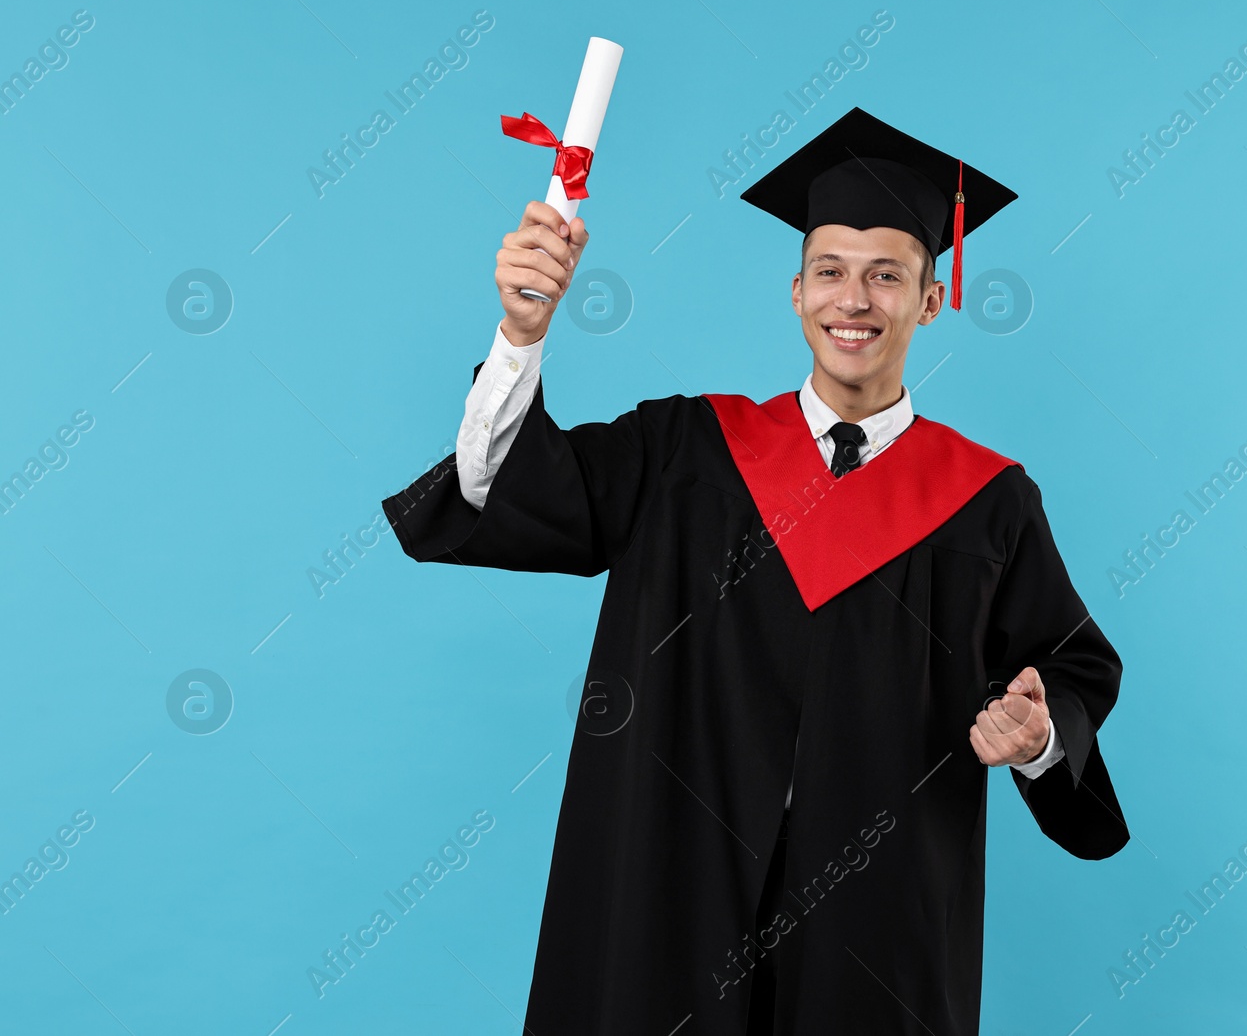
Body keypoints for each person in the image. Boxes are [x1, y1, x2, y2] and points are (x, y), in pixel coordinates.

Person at [381, 106, 1128, 1036]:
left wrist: (1038, 731)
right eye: (830, 271)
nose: (853, 299)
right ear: (795, 290)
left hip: (876, 931)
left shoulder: (987, 501)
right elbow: (503, 487)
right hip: (667, 905)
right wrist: (521, 333)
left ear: (932, 299)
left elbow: (1073, 666)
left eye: (886, 275)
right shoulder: (687, 450)